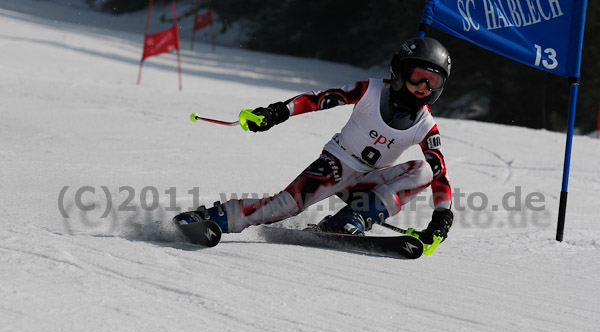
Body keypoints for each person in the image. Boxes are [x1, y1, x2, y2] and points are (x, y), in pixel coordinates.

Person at [174, 36, 454, 244]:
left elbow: (440, 174)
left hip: (369, 183)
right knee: (286, 205)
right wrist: (278, 111)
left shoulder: (425, 125)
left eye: (433, 82)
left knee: (424, 170)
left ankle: (348, 220)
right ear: (400, 71)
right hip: (336, 167)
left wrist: (442, 215)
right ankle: (211, 217)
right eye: (418, 77)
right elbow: (319, 99)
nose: (423, 88)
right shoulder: (370, 90)